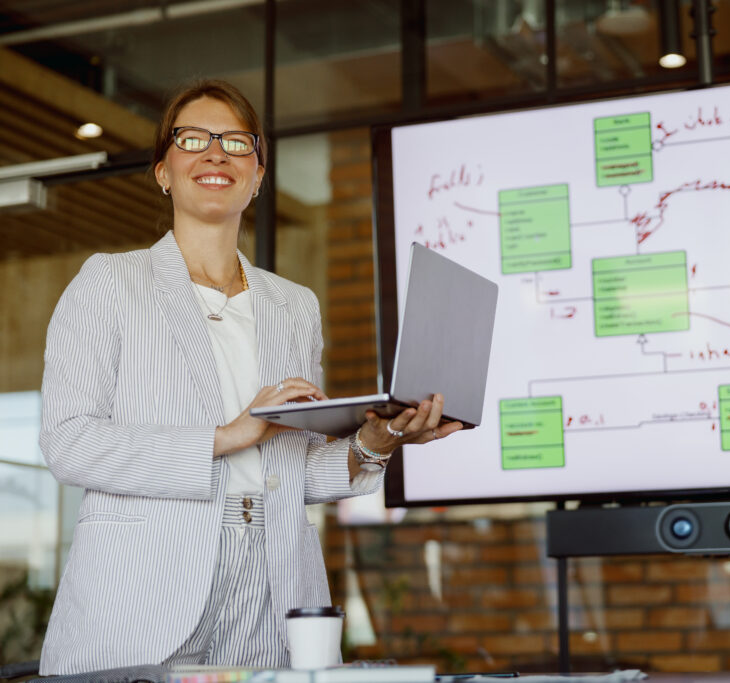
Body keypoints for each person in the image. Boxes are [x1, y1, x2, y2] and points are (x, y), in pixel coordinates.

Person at [37, 79, 461, 675]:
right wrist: (229, 435)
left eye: (237, 143)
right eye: (193, 139)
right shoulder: (108, 283)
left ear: (258, 176)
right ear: (163, 171)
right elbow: (70, 445)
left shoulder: (294, 306)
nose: (216, 153)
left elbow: (296, 469)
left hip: (274, 578)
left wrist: (379, 440)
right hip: (144, 587)